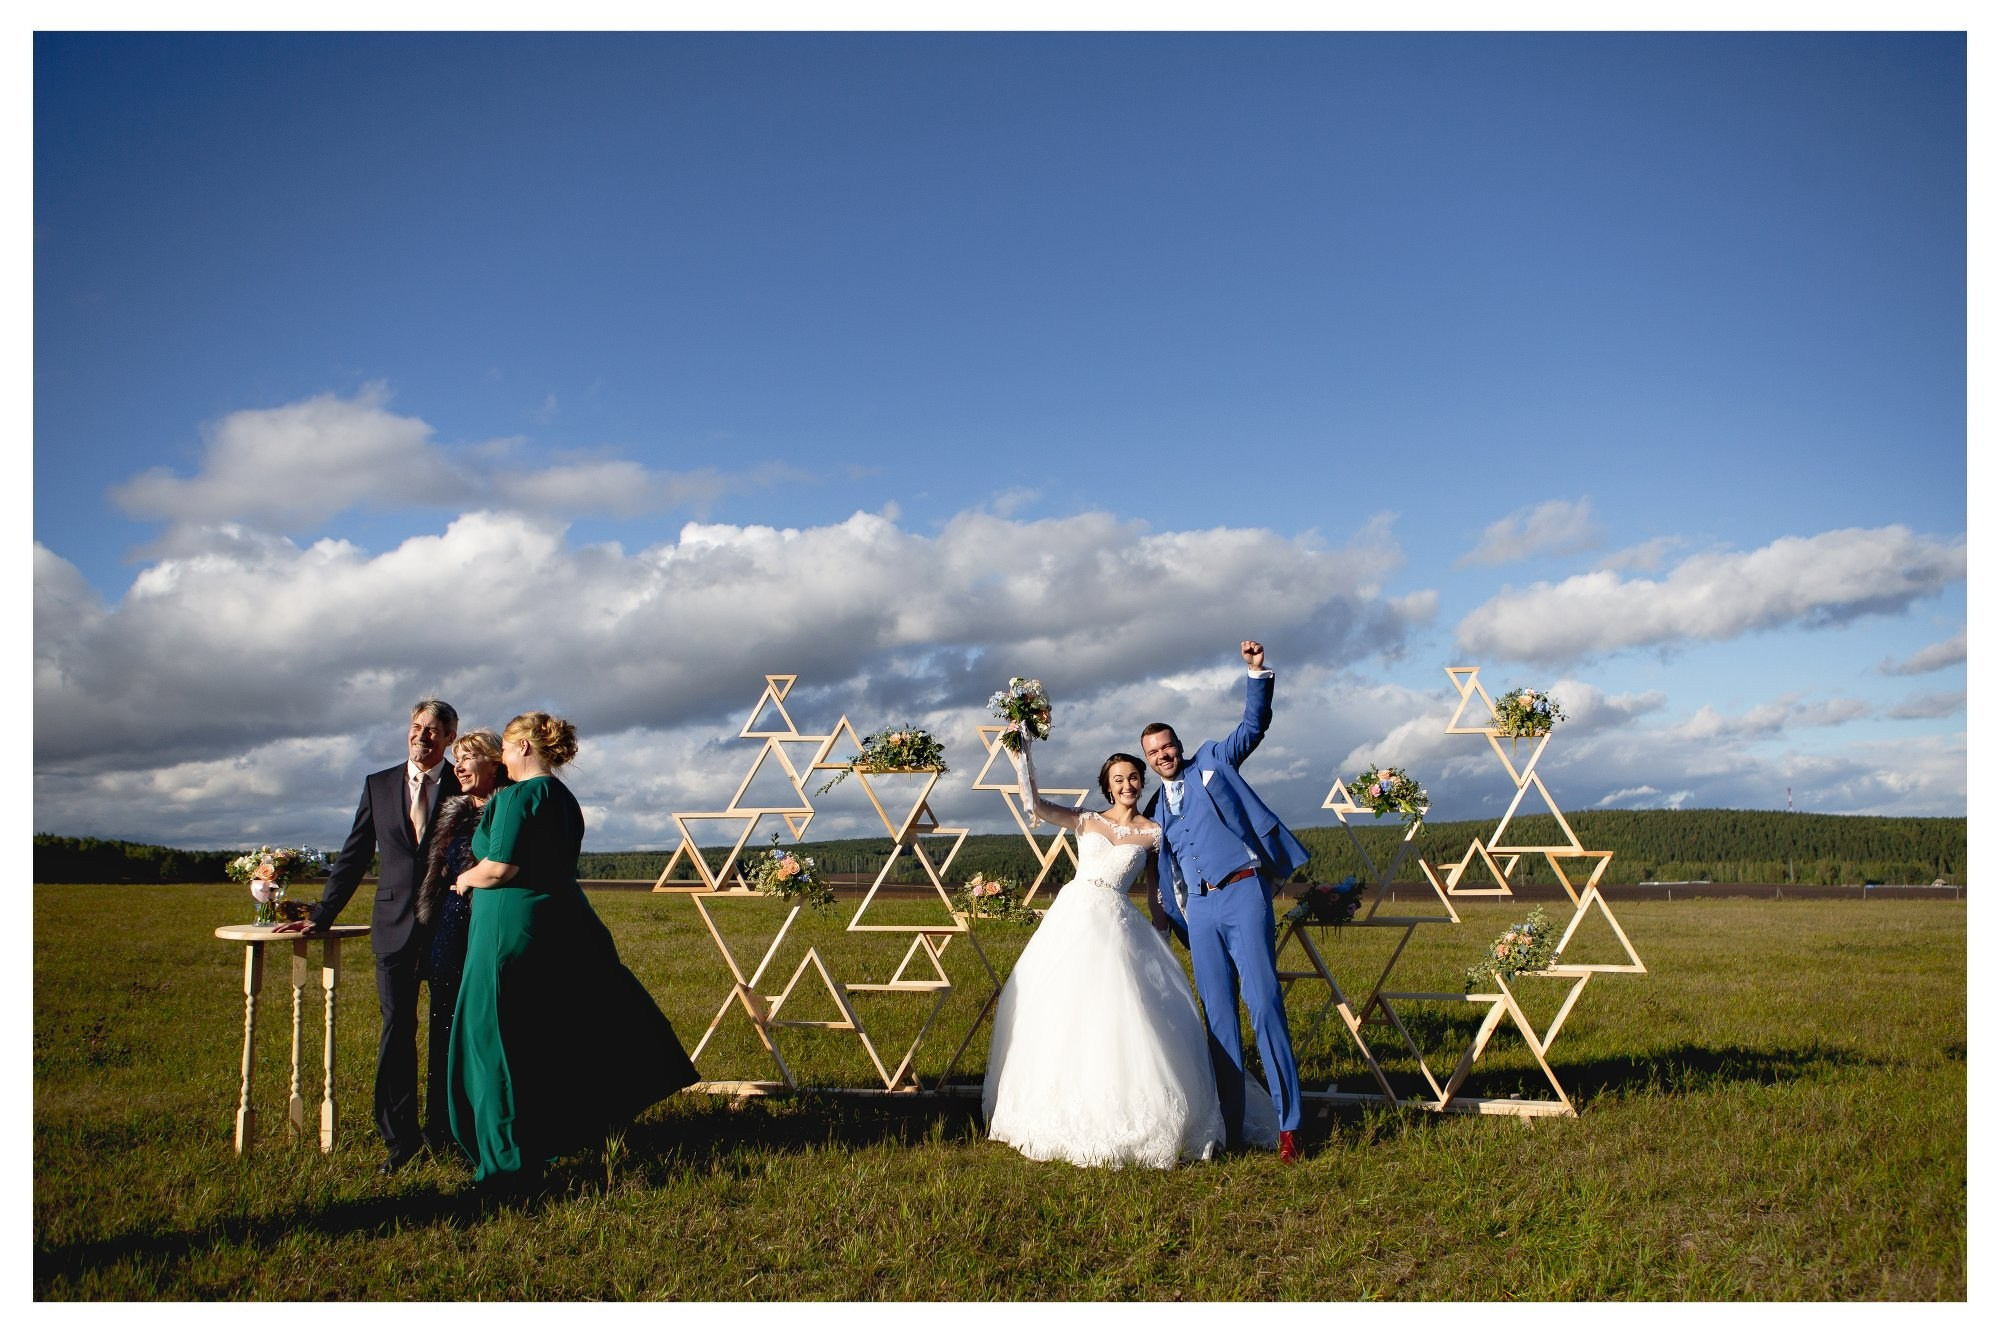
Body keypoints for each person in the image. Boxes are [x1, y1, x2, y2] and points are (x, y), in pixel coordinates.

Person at [446, 711, 699, 1189]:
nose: (502, 758)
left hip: (507, 929)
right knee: (542, 1035)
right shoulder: (564, 798)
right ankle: (554, 1134)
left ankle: (506, 1164)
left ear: (524, 747)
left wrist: (465, 878)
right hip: (560, 921)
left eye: (506, 748)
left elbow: (501, 867)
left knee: (493, 1038)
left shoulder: (518, 796)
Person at [982, 736, 1237, 1168]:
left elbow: (1157, 892)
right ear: (1107, 786)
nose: (1127, 785)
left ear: (1142, 781)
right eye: (1118, 779)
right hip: (1074, 919)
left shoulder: (1153, 833)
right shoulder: (1086, 820)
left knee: (1122, 1010)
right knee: (1063, 1009)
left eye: (1133, 777)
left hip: (1119, 923)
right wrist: (1022, 757)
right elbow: (1036, 806)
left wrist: (1163, 934)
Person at [1142, 640, 1312, 1164]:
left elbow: (1252, 727)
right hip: (1201, 911)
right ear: (1148, 761)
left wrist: (1255, 673)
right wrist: (1174, 916)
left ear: (1179, 745)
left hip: (1243, 891)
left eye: (1168, 746)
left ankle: (1290, 1127)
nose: (1164, 755)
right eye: (1154, 752)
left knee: (1264, 1005)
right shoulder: (1154, 807)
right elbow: (1163, 869)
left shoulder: (1214, 760)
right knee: (1218, 1021)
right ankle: (1230, 1127)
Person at [278, 698, 461, 1174]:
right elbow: (355, 855)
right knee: (396, 1029)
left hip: (449, 925)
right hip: (392, 926)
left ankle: (445, 1133)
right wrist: (321, 915)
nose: (422, 736)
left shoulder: (464, 783)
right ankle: (400, 1141)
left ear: (450, 739)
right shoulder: (378, 785)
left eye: (434, 730)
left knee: (447, 1029)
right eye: (417, 726)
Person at [413, 728, 510, 1156]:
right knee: (444, 1026)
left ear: (496, 762)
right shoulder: (452, 811)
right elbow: (434, 876)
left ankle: (488, 1128)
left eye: (469, 757)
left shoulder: (508, 808)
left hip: (487, 930)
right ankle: (440, 1129)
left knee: (489, 1030)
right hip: (448, 932)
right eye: (458, 758)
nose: (459, 766)